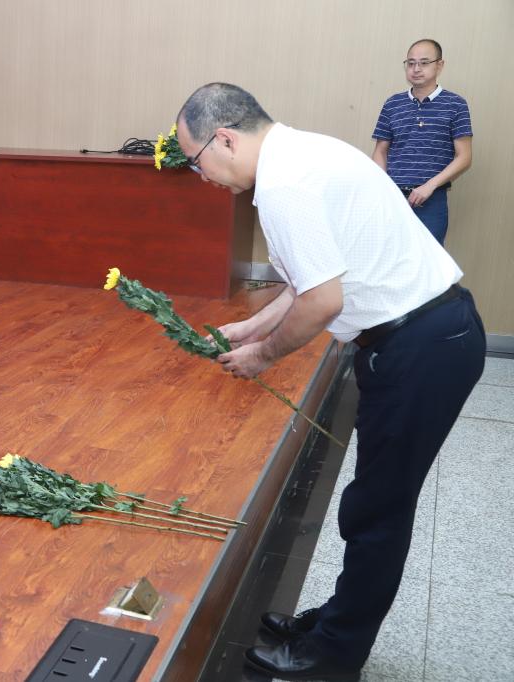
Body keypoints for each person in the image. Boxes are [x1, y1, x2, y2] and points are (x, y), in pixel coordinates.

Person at [173, 83, 485, 681]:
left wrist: (261, 356)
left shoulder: (284, 186)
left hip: (419, 349)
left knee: (378, 513)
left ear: (225, 139)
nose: (201, 175)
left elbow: (321, 302)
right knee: (373, 503)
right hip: (433, 335)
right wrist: (251, 326)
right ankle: (337, 622)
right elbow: (312, 276)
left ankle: (334, 656)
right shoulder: (306, 151)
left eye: (196, 160)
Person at [372, 39, 472, 245]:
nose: (416, 69)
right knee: (388, 254)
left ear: (439, 65)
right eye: (411, 63)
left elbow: (464, 157)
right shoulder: (392, 104)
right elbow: (380, 151)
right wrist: (384, 188)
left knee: (428, 259)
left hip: (432, 199)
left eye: (424, 63)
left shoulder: (456, 105)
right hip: (393, 197)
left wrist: (429, 186)